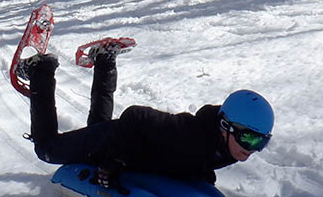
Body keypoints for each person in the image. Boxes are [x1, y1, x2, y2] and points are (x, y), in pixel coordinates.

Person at [15, 42, 273, 188]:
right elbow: (135, 116)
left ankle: (105, 61)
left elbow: (195, 157)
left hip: (129, 143)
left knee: (100, 125)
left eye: (262, 142)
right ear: (225, 126)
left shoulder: (227, 146)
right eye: (248, 139)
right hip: (115, 141)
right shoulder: (187, 135)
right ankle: (41, 70)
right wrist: (114, 161)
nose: (252, 149)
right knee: (47, 149)